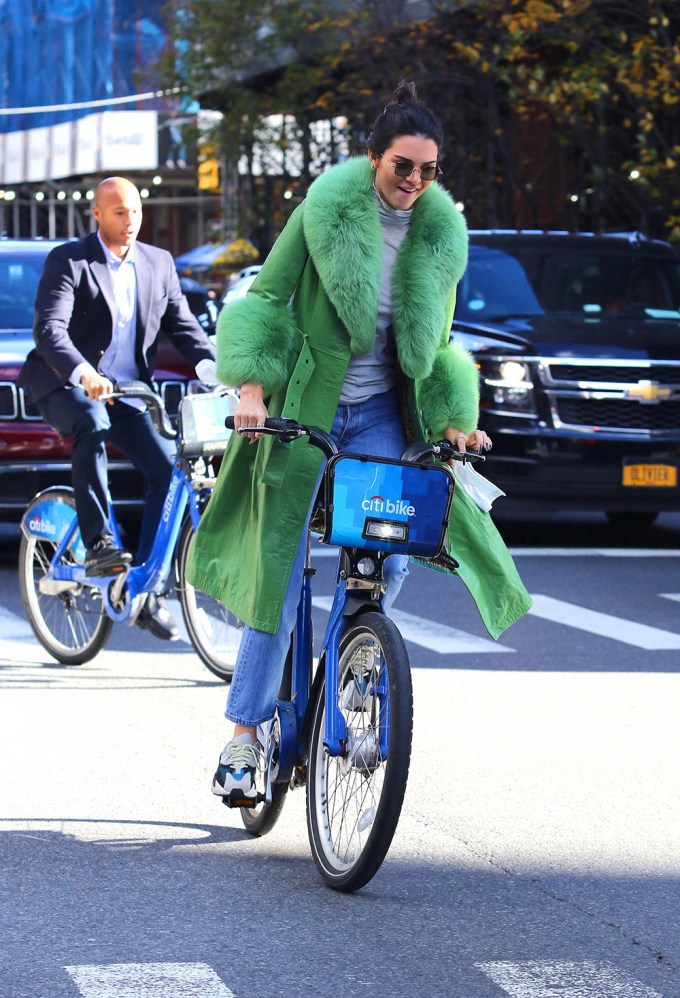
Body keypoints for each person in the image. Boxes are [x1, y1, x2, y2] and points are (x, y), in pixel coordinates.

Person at [186, 82, 532, 799]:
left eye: (428, 171)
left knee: (392, 554)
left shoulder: (442, 237)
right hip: (307, 407)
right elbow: (266, 298)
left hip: (381, 411)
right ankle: (245, 738)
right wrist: (250, 388)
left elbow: (436, 345)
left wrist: (452, 423)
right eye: (402, 165)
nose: (413, 181)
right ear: (372, 156)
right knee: (277, 578)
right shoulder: (323, 210)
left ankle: (352, 656)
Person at [19, 176, 217, 640]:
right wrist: (84, 373)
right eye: (118, 213)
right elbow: (50, 330)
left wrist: (213, 365)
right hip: (65, 383)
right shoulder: (69, 260)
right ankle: (100, 545)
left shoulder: (158, 262)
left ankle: (145, 589)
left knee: (169, 471)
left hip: (128, 390)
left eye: (135, 212)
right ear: (97, 214)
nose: (130, 222)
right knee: (91, 423)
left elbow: (182, 324)